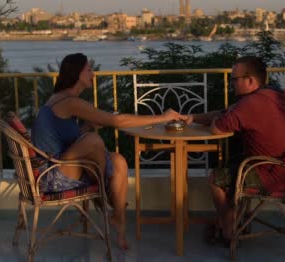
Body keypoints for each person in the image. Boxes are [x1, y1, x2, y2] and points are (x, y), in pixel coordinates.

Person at [31, 53, 188, 250]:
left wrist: (87, 126)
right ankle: (106, 195)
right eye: (89, 70)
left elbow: (65, 139)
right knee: (94, 141)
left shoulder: (60, 99)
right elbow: (118, 122)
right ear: (77, 73)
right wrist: (161, 118)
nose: (93, 74)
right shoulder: (70, 102)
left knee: (120, 161)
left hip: (63, 167)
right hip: (51, 178)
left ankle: (117, 221)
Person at [183, 56, 285, 243]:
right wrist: (192, 117)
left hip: (272, 174)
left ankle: (228, 231)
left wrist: (218, 119)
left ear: (250, 80)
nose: (231, 83)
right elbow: (225, 113)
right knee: (231, 165)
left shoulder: (251, 104)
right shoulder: (269, 95)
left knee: (216, 178)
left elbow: (217, 127)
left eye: (235, 79)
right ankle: (232, 220)